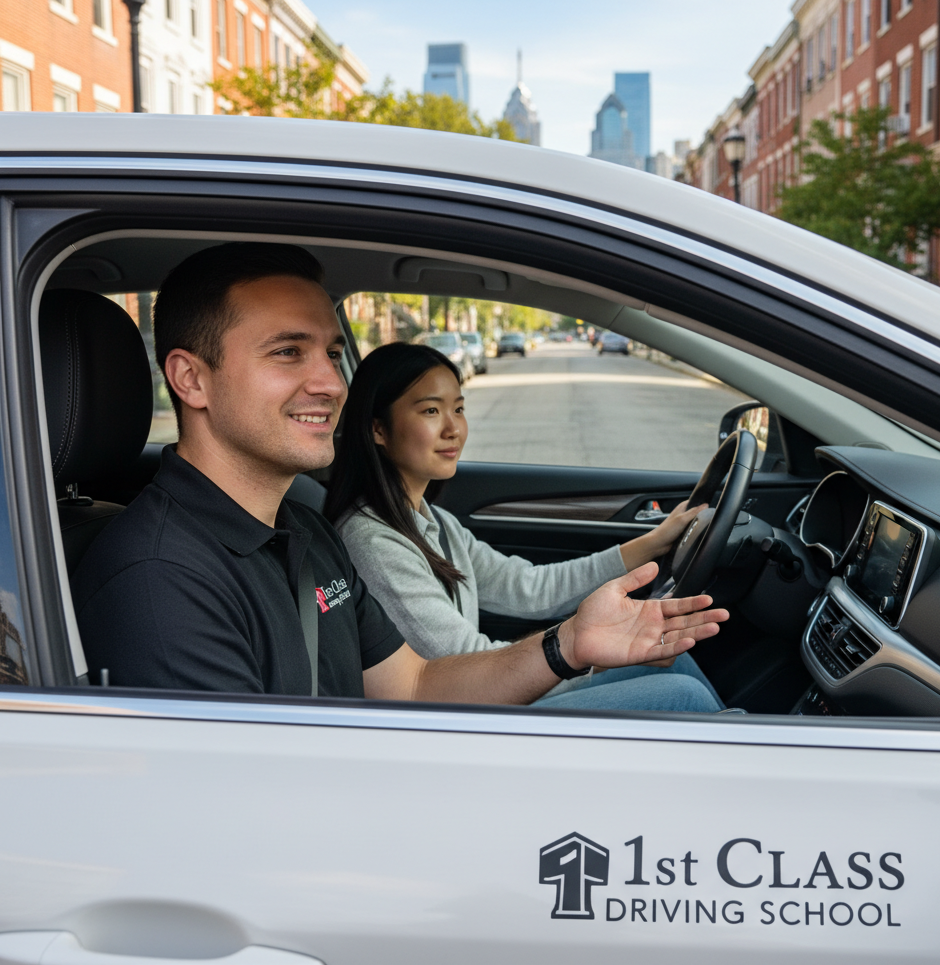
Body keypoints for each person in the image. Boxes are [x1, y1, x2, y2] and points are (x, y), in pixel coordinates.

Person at [72, 242, 728, 706]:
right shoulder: (158, 582)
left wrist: (568, 646)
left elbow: (416, 684)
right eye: (287, 352)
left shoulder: (302, 528)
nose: (331, 383)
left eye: (331, 353)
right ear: (191, 379)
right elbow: (246, 819)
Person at [326, 342, 726, 713]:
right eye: (431, 411)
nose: (453, 428)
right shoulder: (374, 543)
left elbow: (527, 587)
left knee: (674, 662)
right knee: (682, 696)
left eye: (459, 409)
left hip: (485, 694)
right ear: (378, 429)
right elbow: (468, 660)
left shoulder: (434, 521)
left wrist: (652, 543)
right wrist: (587, 657)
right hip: (459, 718)